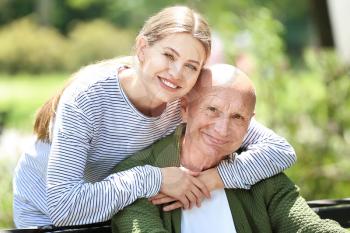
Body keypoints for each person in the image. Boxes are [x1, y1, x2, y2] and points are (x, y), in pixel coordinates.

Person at [13, 6, 296, 228]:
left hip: (117, 208)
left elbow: (279, 151)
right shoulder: (88, 97)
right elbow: (66, 207)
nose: (176, 74)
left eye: (191, 66)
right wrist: (155, 178)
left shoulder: (185, 101)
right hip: (48, 217)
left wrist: (212, 180)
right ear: (142, 48)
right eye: (169, 56)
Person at [112, 64, 347, 233]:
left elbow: (308, 227)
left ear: (249, 122)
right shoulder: (137, 177)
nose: (223, 129)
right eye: (212, 110)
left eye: (237, 117)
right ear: (185, 108)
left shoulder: (262, 175)